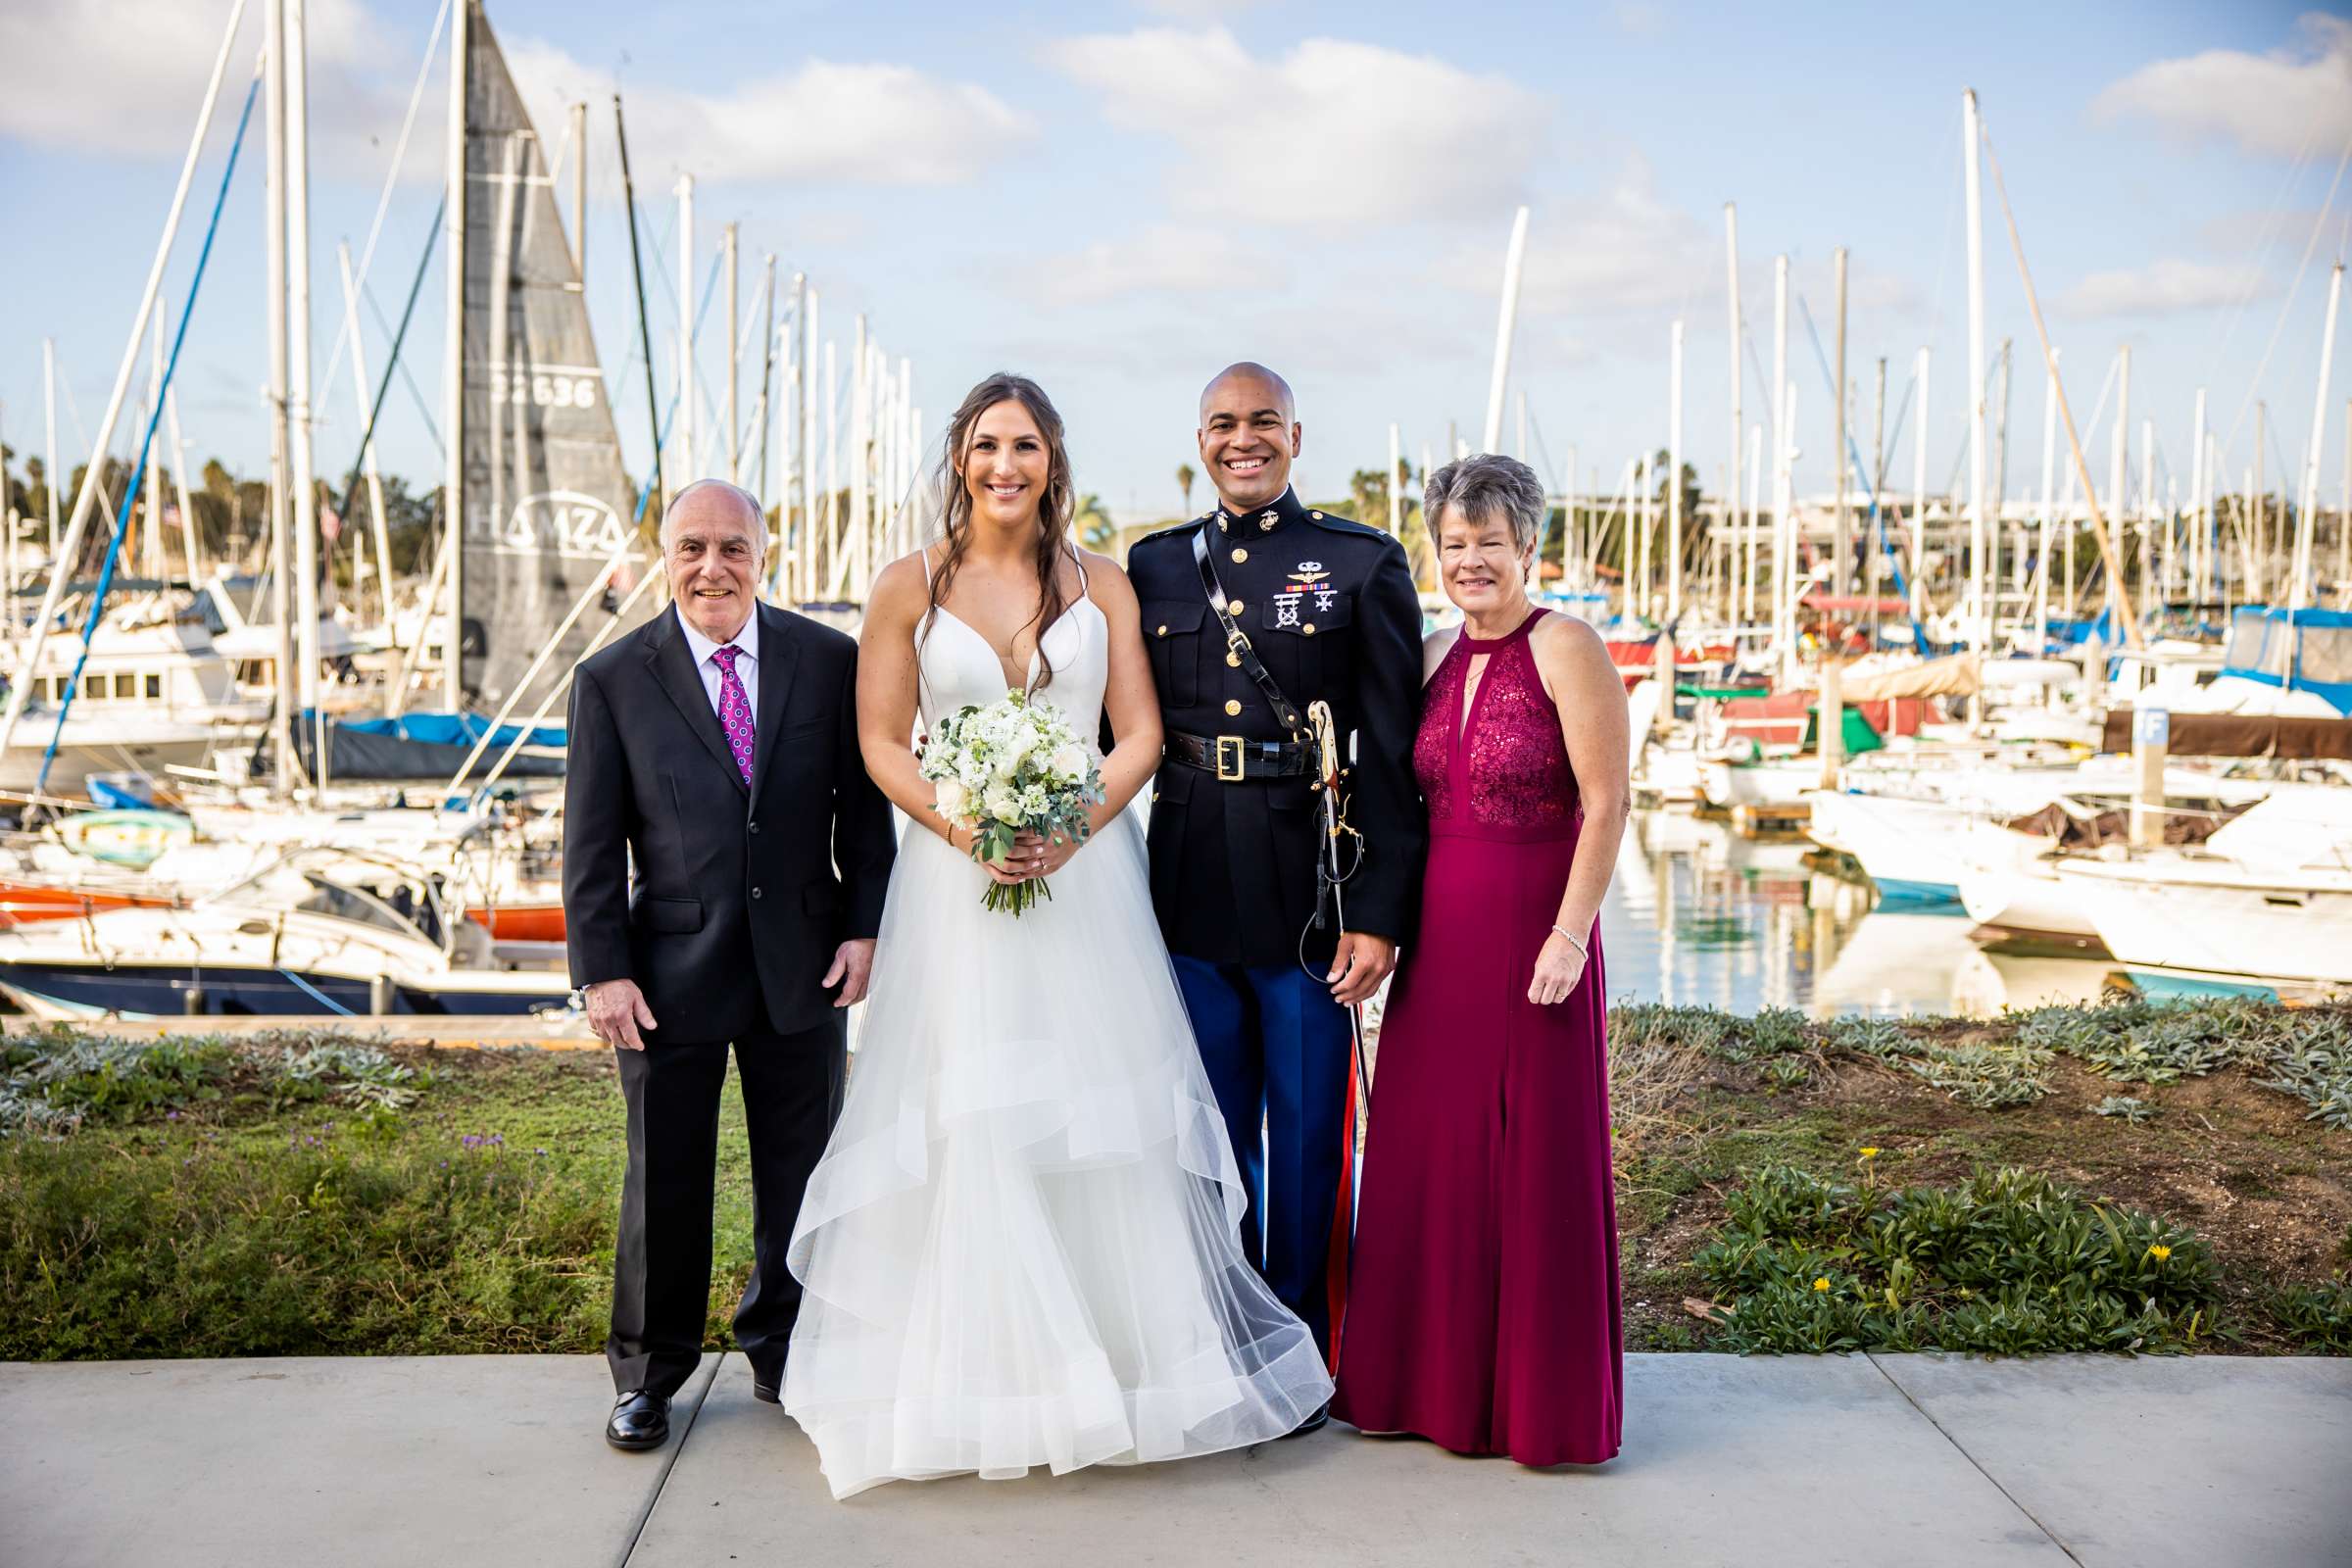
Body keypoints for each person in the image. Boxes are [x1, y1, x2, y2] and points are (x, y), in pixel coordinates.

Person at [782, 373, 1332, 1499]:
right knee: (973, 1112)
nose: (1005, 466)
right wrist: (963, 820)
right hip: (955, 889)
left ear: (1052, 459)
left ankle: (1124, 1372)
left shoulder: (1108, 587)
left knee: (1100, 1110)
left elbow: (1135, 735)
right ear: (959, 458)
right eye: (986, 445)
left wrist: (1069, 829)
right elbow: (884, 742)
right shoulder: (906, 588)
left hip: (1088, 887)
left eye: (1025, 446)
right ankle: (983, 1380)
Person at [563, 479, 897, 1453]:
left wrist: (866, 926)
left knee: (800, 1175)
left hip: (805, 963)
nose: (714, 567)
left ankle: (786, 1349)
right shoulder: (613, 677)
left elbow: (863, 815)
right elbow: (588, 848)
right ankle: (647, 1371)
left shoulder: (828, 661)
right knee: (664, 1178)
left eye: (734, 548)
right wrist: (603, 971)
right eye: (694, 547)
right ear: (665, 555)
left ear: (765, 553)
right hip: (665, 974)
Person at [1123, 364, 1425, 1422]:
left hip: (1314, 882)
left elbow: (1392, 749)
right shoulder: (1156, 565)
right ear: (1198, 438)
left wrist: (1382, 910)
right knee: (1205, 1124)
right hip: (1191, 872)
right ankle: (1217, 1329)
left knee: (1304, 1131)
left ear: (1296, 435)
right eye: (1221, 424)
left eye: (1261, 423)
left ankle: (1302, 1345)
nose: (1241, 440)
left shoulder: (1358, 561)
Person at [1330, 453, 1630, 1467]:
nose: (1470, 561)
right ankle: (1429, 1389)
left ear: (1528, 546)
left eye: (1488, 543)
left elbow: (1608, 801)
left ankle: (1534, 1406)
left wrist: (1570, 932)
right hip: (1442, 938)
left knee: (1531, 1159)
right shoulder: (1432, 657)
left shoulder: (1568, 646)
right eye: (1453, 544)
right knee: (1432, 1151)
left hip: (1535, 931)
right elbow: (1402, 806)